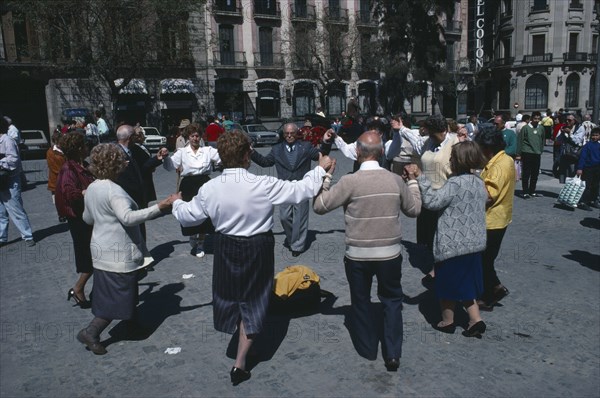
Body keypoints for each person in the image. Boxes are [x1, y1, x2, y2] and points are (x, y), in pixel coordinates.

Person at [170, 130, 334, 385]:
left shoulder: (209, 188)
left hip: (225, 246)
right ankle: (240, 362)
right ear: (247, 155)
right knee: (254, 299)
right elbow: (301, 190)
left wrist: (177, 202)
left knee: (231, 296)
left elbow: (187, 216)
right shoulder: (262, 184)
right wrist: (320, 169)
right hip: (257, 246)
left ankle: (244, 348)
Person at [313, 131, 421, 371]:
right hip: (390, 253)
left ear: (358, 153)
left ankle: (367, 347)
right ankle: (392, 353)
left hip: (358, 254)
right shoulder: (394, 180)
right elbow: (414, 210)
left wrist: (327, 177)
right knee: (392, 300)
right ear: (382, 152)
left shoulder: (349, 182)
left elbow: (319, 206)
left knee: (360, 300)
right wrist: (413, 181)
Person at [76, 144, 171, 355]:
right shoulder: (114, 190)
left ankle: (131, 325)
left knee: (126, 291)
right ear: (114, 165)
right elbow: (128, 218)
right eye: (122, 161)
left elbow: (87, 218)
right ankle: (91, 332)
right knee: (118, 297)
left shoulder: (93, 187)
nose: (126, 164)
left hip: (101, 251)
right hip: (118, 253)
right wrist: (160, 207)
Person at [409, 141, 488, 337]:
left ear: (458, 160)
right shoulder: (479, 182)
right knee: (467, 285)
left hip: (453, 244)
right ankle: (475, 319)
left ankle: (447, 321)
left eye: (452, 157)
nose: (450, 160)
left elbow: (433, 202)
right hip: (474, 243)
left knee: (446, 286)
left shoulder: (454, 183)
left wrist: (421, 178)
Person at [251, 122, 331, 256]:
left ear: (296, 133)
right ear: (283, 134)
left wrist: (326, 142)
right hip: (284, 189)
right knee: (284, 217)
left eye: (292, 133)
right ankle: (292, 238)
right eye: (286, 134)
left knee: (300, 218)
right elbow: (265, 163)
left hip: (302, 187)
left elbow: (321, 155)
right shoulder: (276, 149)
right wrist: (252, 152)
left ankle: (297, 246)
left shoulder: (305, 147)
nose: (289, 136)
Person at [163, 123, 220, 258]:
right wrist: (165, 158)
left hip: (204, 183)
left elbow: (222, 157)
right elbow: (170, 166)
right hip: (188, 184)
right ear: (188, 137)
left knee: (205, 214)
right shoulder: (182, 152)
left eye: (197, 136)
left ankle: (201, 242)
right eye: (192, 136)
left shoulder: (207, 150)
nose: (195, 138)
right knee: (190, 212)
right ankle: (192, 235)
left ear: (200, 137)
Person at [415, 114, 460, 287]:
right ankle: (437, 265)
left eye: (433, 133)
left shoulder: (455, 143)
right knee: (430, 234)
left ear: (444, 130)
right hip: (427, 194)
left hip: (445, 195)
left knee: (442, 234)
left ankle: (440, 269)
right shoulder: (429, 142)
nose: (430, 136)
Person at [474, 129, 515, 310]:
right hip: (499, 217)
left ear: (487, 148)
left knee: (484, 260)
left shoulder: (498, 166)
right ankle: (495, 288)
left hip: (492, 219)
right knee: (486, 258)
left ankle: (491, 294)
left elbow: (488, 195)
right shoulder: (504, 159)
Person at [55, 133, 96, 308]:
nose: (88, 148)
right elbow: (70, 194)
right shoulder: (68, 169)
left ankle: (92, 290)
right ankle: (78, 288)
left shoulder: (82, 165)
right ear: (79, 149)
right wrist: (88, 191)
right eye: (85, 145)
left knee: (96, 255)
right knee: (89, 257)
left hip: (89, 216)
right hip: (79, 219)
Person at [0, 117, 35, 247]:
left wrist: (0, 162)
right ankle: (1, 237)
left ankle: (27, 235)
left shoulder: (7, 140)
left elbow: (13, 160)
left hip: (9, 179)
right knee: (0, 211)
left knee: (15, 208)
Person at [323, 117, 400, 170]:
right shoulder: (359, 145)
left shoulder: (386, 145)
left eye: (376, 129)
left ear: (381, 134)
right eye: (371, 129)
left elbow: (395, 146)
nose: (373, 132)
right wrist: (336, 137)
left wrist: (397, 132)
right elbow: (347, 149)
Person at [516, 111, 545, 198]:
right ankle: (525, 191)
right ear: (532, 118)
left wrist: (541, 150)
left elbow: (542, 139)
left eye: (538, 119)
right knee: (526, 173)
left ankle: (532, 191)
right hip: (527, 152)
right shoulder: (525, 128)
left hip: (537, 153)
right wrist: (518, 153)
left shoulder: (541, 128)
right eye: (535, 118)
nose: (536, 120)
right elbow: (520, 140)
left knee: (535, 173)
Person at [576, 127, 600, 210]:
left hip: (597, 168)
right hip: (588, 168)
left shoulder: (599, 145)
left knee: (596, 185)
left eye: (596, 135)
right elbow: (583, 157)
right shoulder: (587, 146)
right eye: (593, 135)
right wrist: (580, 168)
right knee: (587, 186)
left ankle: (593, 200)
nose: (594, 137)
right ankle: (583, 202)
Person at [46, 130, 66, 222]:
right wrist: (64, 172)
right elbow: (52, 167)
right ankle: (61, 214)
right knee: (57, 198)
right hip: (56, 178)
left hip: (66, 177)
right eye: (59, 142)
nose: (61, 144)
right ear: (56, 141)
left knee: (66, 196)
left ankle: (66, 212)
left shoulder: (65, 150)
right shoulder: (51, 152)